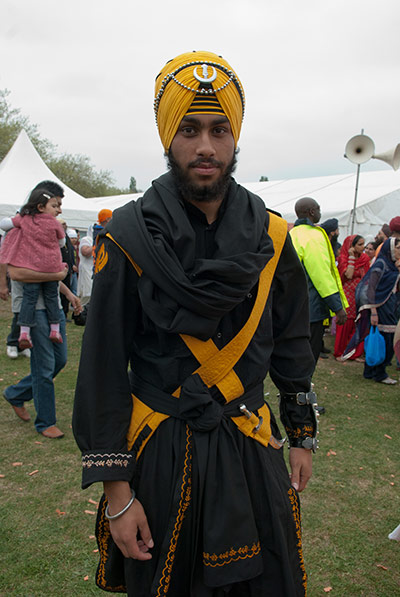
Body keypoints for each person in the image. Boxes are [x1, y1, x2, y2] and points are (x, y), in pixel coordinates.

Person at [73, 50, 318, 596]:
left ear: (234, 139)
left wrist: (300, 435)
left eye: (218, 130)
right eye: (189, 130)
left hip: (252, 443)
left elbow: (294, 345)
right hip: (162, 453)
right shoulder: (128, 238)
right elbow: (103, 371)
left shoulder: (273, 237)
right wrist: (118, 495)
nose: (205, 146)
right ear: (168, 137)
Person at [2, 180, 82, 437]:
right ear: (41, 203)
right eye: (55, 205)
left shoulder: (48, 231)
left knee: (61, 360)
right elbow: (16, 272)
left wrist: (69, 293)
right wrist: (57, 273)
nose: (59, 211)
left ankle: (16, 393)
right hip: (32, 310)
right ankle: (45, 422)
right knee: (44, 365)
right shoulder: (19, 230)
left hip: (52, 307)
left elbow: (49, 270)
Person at [0, 186, 67, 349]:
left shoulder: (24, 220)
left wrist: (19, 217)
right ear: (41, 207)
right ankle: (55, 329)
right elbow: (62, 241)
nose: (58, 210)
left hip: (30, 266)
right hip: (51, 267)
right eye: (54, 206)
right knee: (52, 296)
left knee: (29, 298)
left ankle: (23, 331)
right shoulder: (53, 223)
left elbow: (4, 224)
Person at [290, 197, 348, 366]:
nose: (320, 212)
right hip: (311, 308)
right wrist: (337, 307)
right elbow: (321, 275)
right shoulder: (312, 236)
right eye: (319, 208)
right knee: (308, 356)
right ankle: (302, 389)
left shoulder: (291, 234)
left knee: (294, 354)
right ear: (312, 212)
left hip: (292, 306)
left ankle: (294, 389)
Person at [343, 237, 400, 384]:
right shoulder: (380, 265)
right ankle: (380, 374)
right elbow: (370, 288)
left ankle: (370, 372)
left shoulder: (391, 265)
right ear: (390, 249)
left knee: (379, 339)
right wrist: (373, 311)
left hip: (389, 304)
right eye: (398, 248)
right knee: (385, 340)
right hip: (381, 307)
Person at [333, 235, 370, 361]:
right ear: (351, 246)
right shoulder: (343, 258)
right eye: (360, 244)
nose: (363, 247)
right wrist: (352, 258)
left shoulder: (365, 258)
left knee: (358, 322)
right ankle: (340, 352)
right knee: (346, 322)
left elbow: (367, 276)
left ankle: (354, 353)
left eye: (363, 244)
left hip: (360, 294)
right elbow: (348, 275)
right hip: (347, 293)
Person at [77, 226, 94, 304]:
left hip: (96, 271)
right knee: (87, 294)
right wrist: (97, 244)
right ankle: (80, 312)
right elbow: (85, 252)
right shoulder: (86, 239)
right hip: (87, 270)